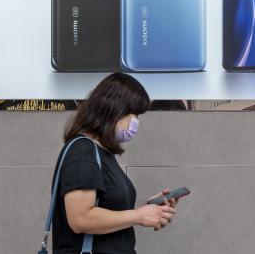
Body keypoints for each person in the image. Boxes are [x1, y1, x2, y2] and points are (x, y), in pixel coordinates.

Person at [49, 72, 178, 254]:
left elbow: (106, 211)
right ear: (114, 109)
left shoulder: (101, 153)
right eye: (135, 114)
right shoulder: (83, 151)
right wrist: (137, 215)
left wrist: (146, 211)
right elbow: (80, 219)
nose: (136, 122)